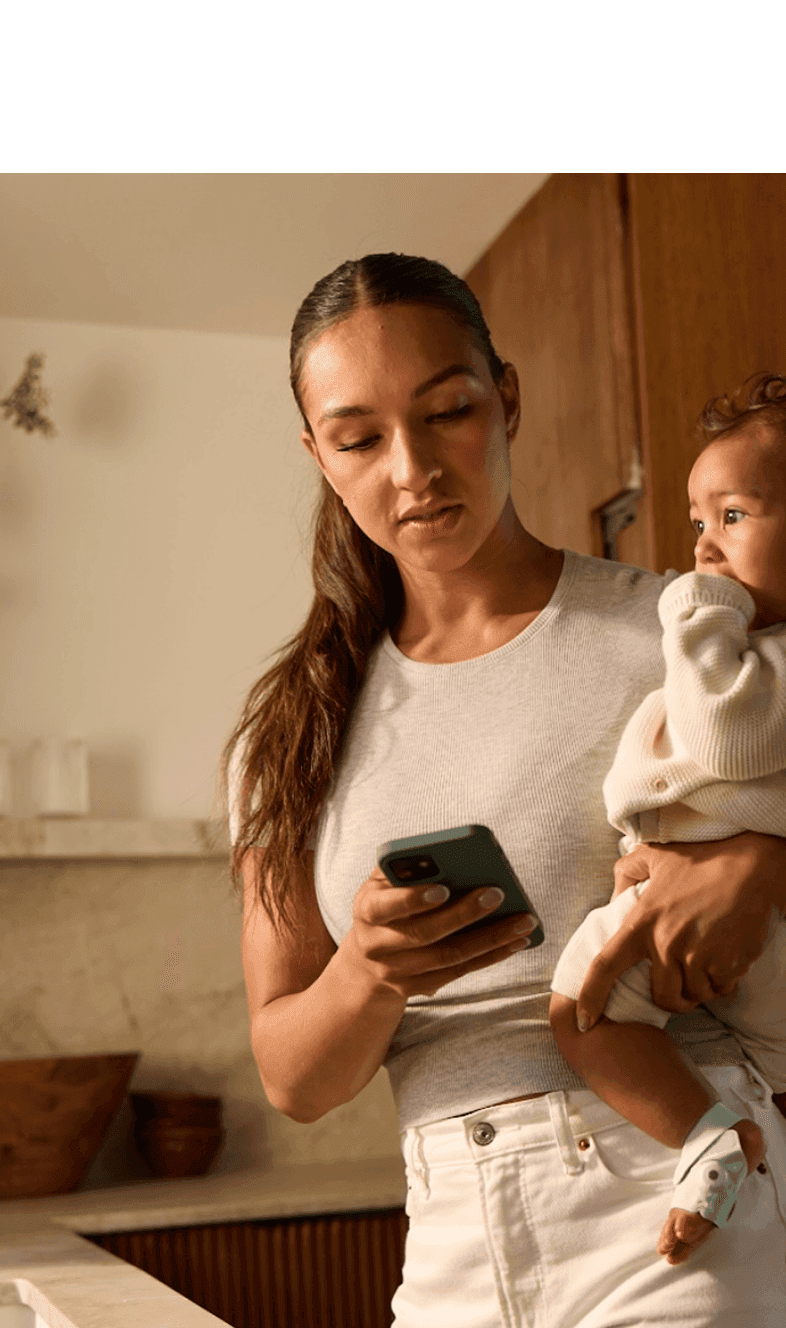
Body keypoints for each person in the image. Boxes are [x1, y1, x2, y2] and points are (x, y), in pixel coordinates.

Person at [224, 255, 786, 1327]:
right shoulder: (291, 729)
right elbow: (293, 1078)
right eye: (359, 439)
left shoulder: (685, 625)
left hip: (683, 1176)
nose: (414, 469)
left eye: (448, 412)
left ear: (507, 398)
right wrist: (368, 968)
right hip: (449, 1237)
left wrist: (764, 860)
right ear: (318, 457)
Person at [550, 372, 786, 1267]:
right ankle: (715, 1141)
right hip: (694, 927)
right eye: (697, 521)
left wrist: (697, 607)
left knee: (579, 1009)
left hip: (761, 929)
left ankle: (708, 1134)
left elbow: (721, 737)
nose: (704, 547)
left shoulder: (744, 660)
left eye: (735, 515)